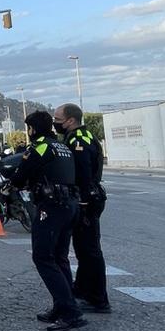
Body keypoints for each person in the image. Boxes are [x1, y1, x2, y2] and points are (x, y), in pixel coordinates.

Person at [11, 111, 88, 331]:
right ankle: (62, 306)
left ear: (33, 129)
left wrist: (13, 182)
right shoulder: (62, 146)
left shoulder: (39, 147)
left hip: (51, 207)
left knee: (43, 257)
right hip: (70, 206)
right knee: (60, 257)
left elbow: (20, 176)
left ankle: (71, 312)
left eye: (29, 128)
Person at [54, 103, 110, 314]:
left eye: (58, 119)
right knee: (84, 249)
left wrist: (83, 204)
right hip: (88, 198)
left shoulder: (78, 141)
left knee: (89, 251)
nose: (55, 123)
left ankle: (98, 298)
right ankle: (84, 290)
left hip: (87, 201)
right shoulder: (83, 136)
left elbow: (84, 174)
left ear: (70, 120)